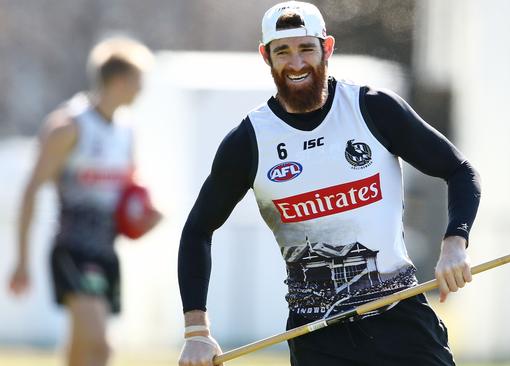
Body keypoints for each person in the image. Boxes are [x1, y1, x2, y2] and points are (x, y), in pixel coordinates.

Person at [177, 1, 481, 365]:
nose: (296, 63)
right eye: (282, 52)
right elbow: (197, 231)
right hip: (318, 339)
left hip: (402, 322)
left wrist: (454, 243)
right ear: (265, 56)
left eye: (306, 48)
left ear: (327, 48)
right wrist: (196, 332)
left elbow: (460, 170)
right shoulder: (249, 141)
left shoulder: (373, 108)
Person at [8, 37, 158, 366]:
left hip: (106, 248)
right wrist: (21, 260)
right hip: (73, 245)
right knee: (100, 345)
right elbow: (31, 190)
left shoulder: (127, 130)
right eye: (138, 82)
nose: (141, 90)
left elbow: (131, 186)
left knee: (83, 350)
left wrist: (146, 212)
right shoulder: (68, 127)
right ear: (119, 81)